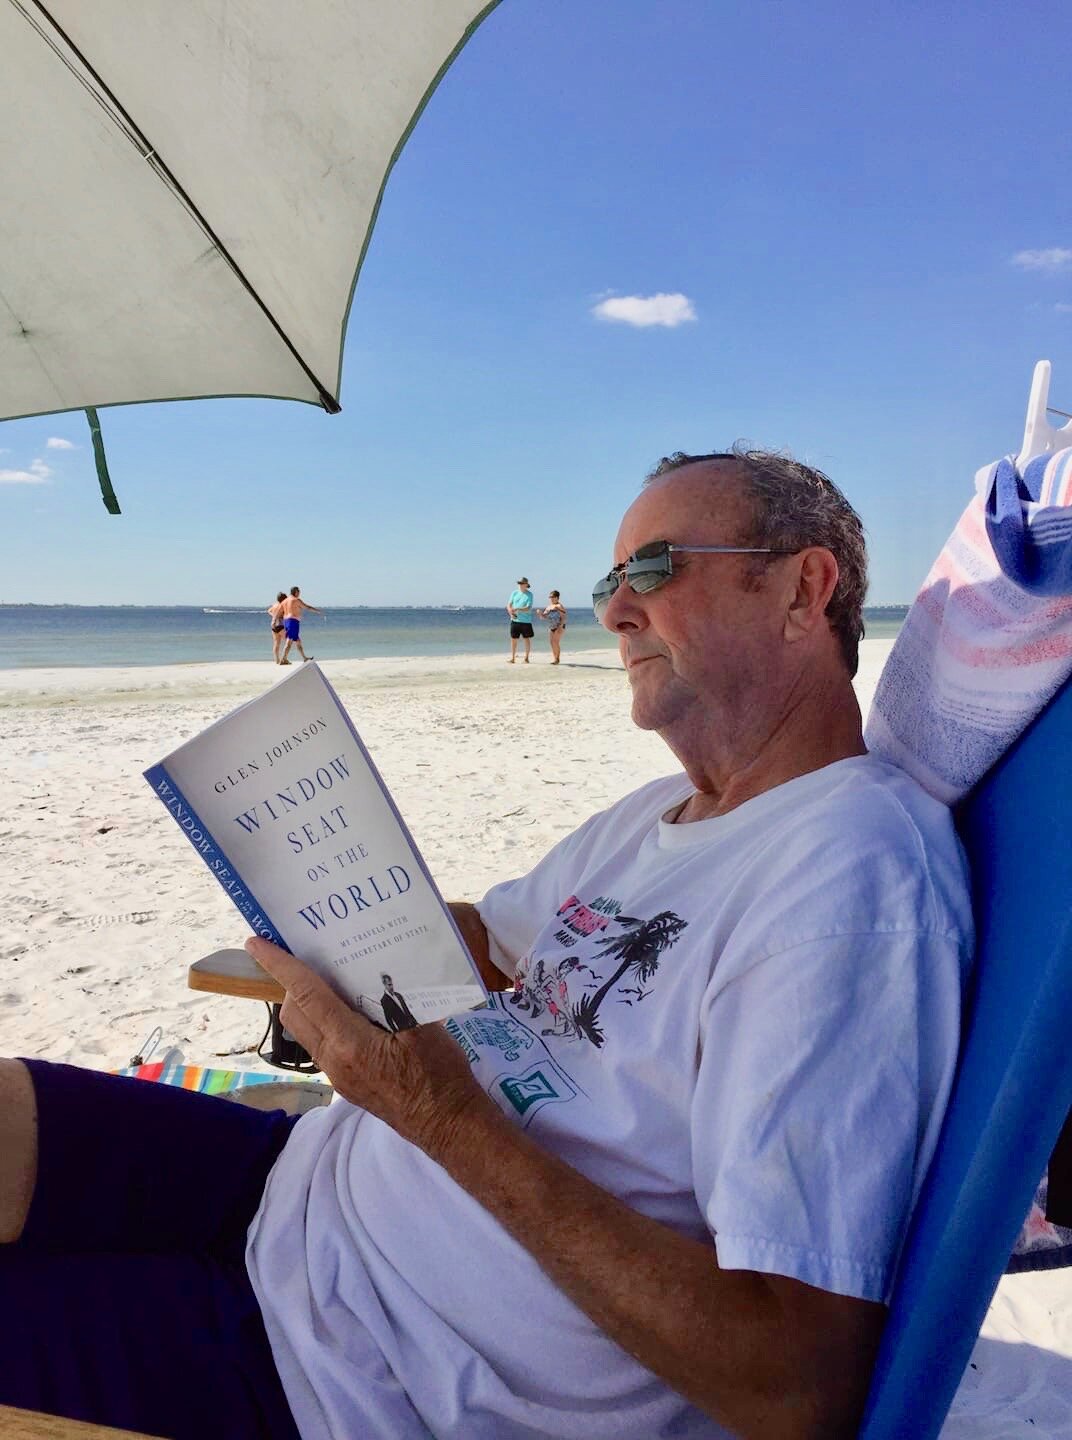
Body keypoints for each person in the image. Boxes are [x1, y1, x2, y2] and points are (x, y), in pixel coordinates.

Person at [0, 448, 973, 1440]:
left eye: (651, 570)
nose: (611, 610)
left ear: (803, 589)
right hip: (294, 1182)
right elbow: (495, 945)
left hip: (339, 1368)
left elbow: (792, 1387)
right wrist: (327, 889)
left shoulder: (848, 884)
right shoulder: (656, 820)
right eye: (608, 581)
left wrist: (438, 1112)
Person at [278, 586, 322, 665]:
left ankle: (304, 658)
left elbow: (279, 612)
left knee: (298, 641)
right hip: (293, 622)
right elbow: (307, 607)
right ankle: (283, 659)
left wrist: (274, 621)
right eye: (298, 592)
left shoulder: (284, 601)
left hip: (287, 621)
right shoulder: (296, 600)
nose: (299, 594)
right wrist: (317, 611)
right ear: (295, 592)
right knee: (289, 641)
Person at [506, 575, 534, 663]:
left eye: (522, 583)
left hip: (526, 621)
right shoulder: (514, 593)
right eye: (519, 583)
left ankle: (526, 658)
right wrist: (510, 612)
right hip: (514, 620)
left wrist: (518, 609)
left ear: (526, 584)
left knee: (526, 639)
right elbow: (509, 605)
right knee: (513, 639)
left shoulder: (529, 594)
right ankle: (513, 658)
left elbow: (528, 607)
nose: (520, 585)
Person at [537, 588, 568, 663]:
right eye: (550, 597)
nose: (551, 599)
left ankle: (557, 659)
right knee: (551, 642)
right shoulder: (549, 607)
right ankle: (555, 658)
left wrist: (560, 626)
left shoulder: (559, 606)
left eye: (552, 597)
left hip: (559, 626)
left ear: (557, 597)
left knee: (556, 641)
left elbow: (564, 616)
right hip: (551, 626)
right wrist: (540, 613)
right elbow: (543, 617)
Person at [267, 591, 287, 664]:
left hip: (273, 625)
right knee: (288, 641)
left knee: (276, 643)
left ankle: (277, 660)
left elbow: (268, 611)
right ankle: (283, 659)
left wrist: (274, 615)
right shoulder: (282, 606)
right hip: (280, 624)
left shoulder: (274, 605)